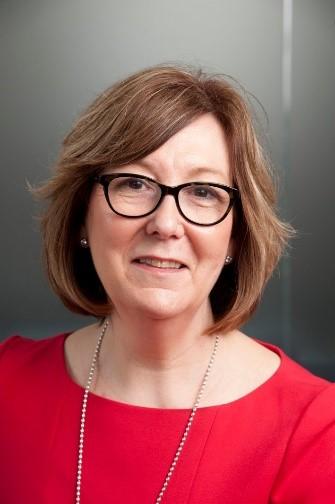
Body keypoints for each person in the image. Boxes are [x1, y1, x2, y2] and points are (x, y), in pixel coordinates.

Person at [0, 64, 334, 504]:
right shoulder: (8, 386)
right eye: (134, 183)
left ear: (236, 233)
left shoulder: (316, 430)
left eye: (203, 192)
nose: (165, 224)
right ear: (82, 214)